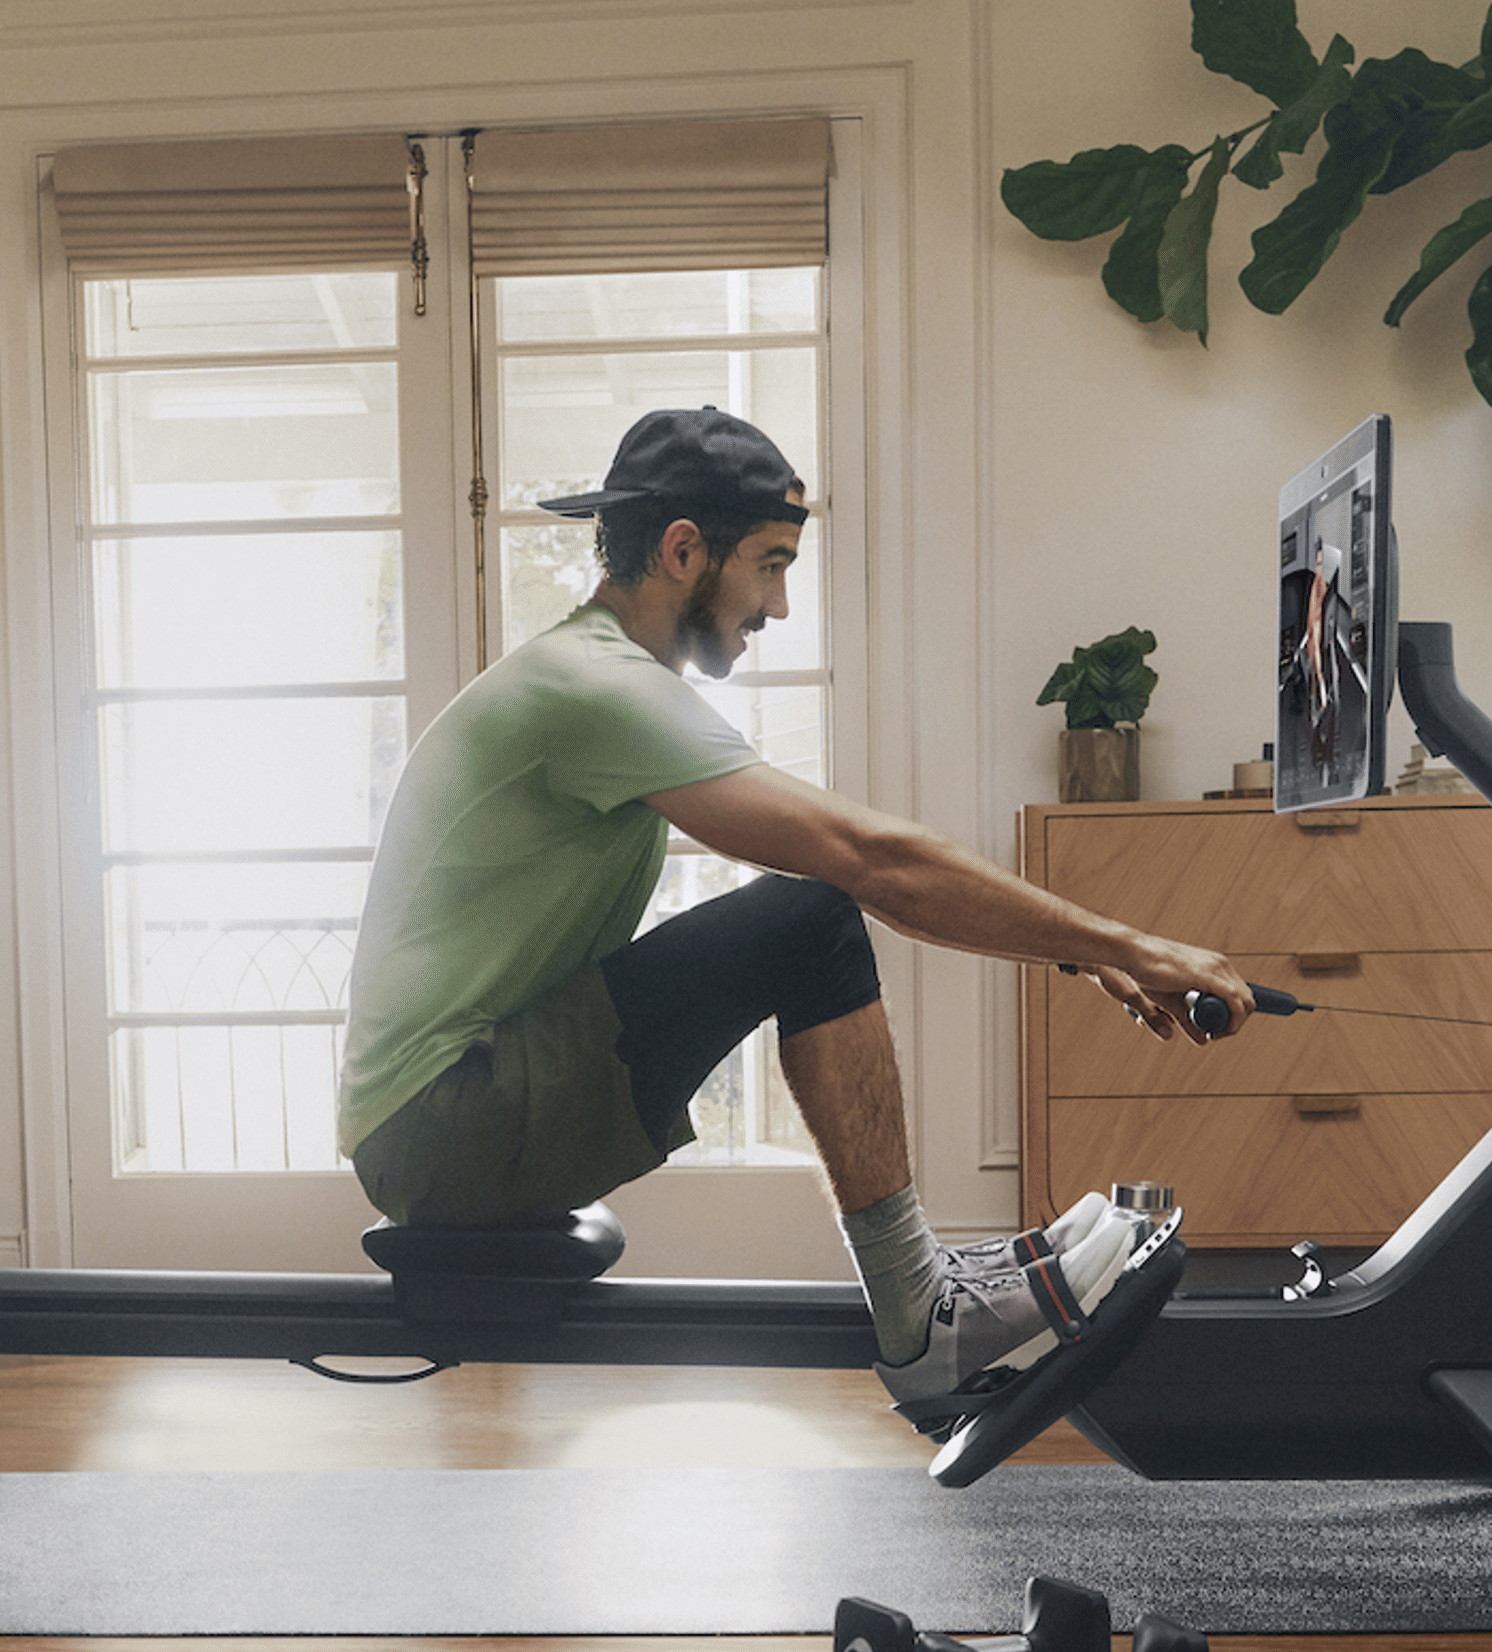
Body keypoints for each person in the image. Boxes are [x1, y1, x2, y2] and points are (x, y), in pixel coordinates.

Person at [336, 406, 1259, 1429]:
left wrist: (1086, 954)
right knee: (809, 917)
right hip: (445, 1124)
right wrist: (1128, 944)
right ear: (684, 550)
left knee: (809, 915)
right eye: (770, 565)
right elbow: (871, 862)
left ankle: (923, 1282)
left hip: (448, 1112)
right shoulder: (594, 689)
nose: (778, 604)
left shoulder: (590, 673)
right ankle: (922, 1313)